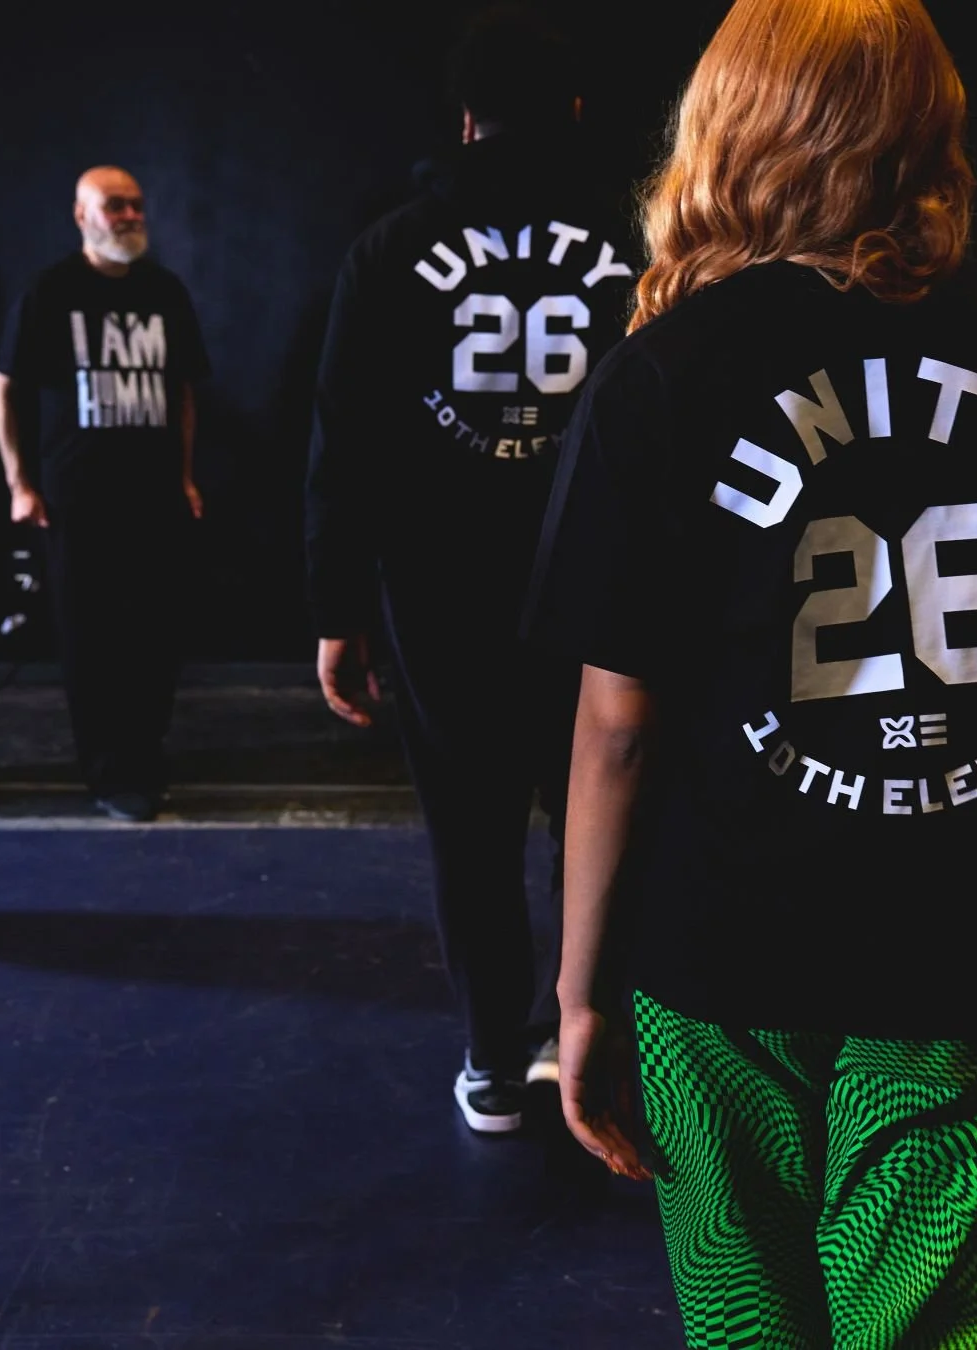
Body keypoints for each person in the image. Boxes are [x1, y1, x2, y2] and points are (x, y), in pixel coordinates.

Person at [531, 0, 977, 1341]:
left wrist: (579, 994)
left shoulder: (661, 377)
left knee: (748, 1320)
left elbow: (617, 729)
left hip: (722, 958)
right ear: (929, 134)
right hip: (961, 949)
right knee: (920, 1327)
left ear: (733, 124)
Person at [305, 4, 636, 1133]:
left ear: (464, 119)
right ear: (575, 112)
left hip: (444, 598)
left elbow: (342, 442)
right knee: (603, 817)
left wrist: (337, 609)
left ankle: (495, 1060)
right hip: (603, 589)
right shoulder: (642, 244)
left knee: (470, 832)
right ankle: (589, 1043)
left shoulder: (389, 248)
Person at [0, 166, 210, 823]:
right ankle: (111, 774)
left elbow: (183, 393)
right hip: (77, 501)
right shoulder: (50, 291)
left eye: (136, 205)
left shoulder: (165, 292)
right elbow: (3, 389)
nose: (130, 216)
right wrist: (19, 483)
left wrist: (184, 476)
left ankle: (144, 758)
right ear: (81, 215)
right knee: (93, 644)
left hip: (154, 500)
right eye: (114, 206)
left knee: (154, 639)